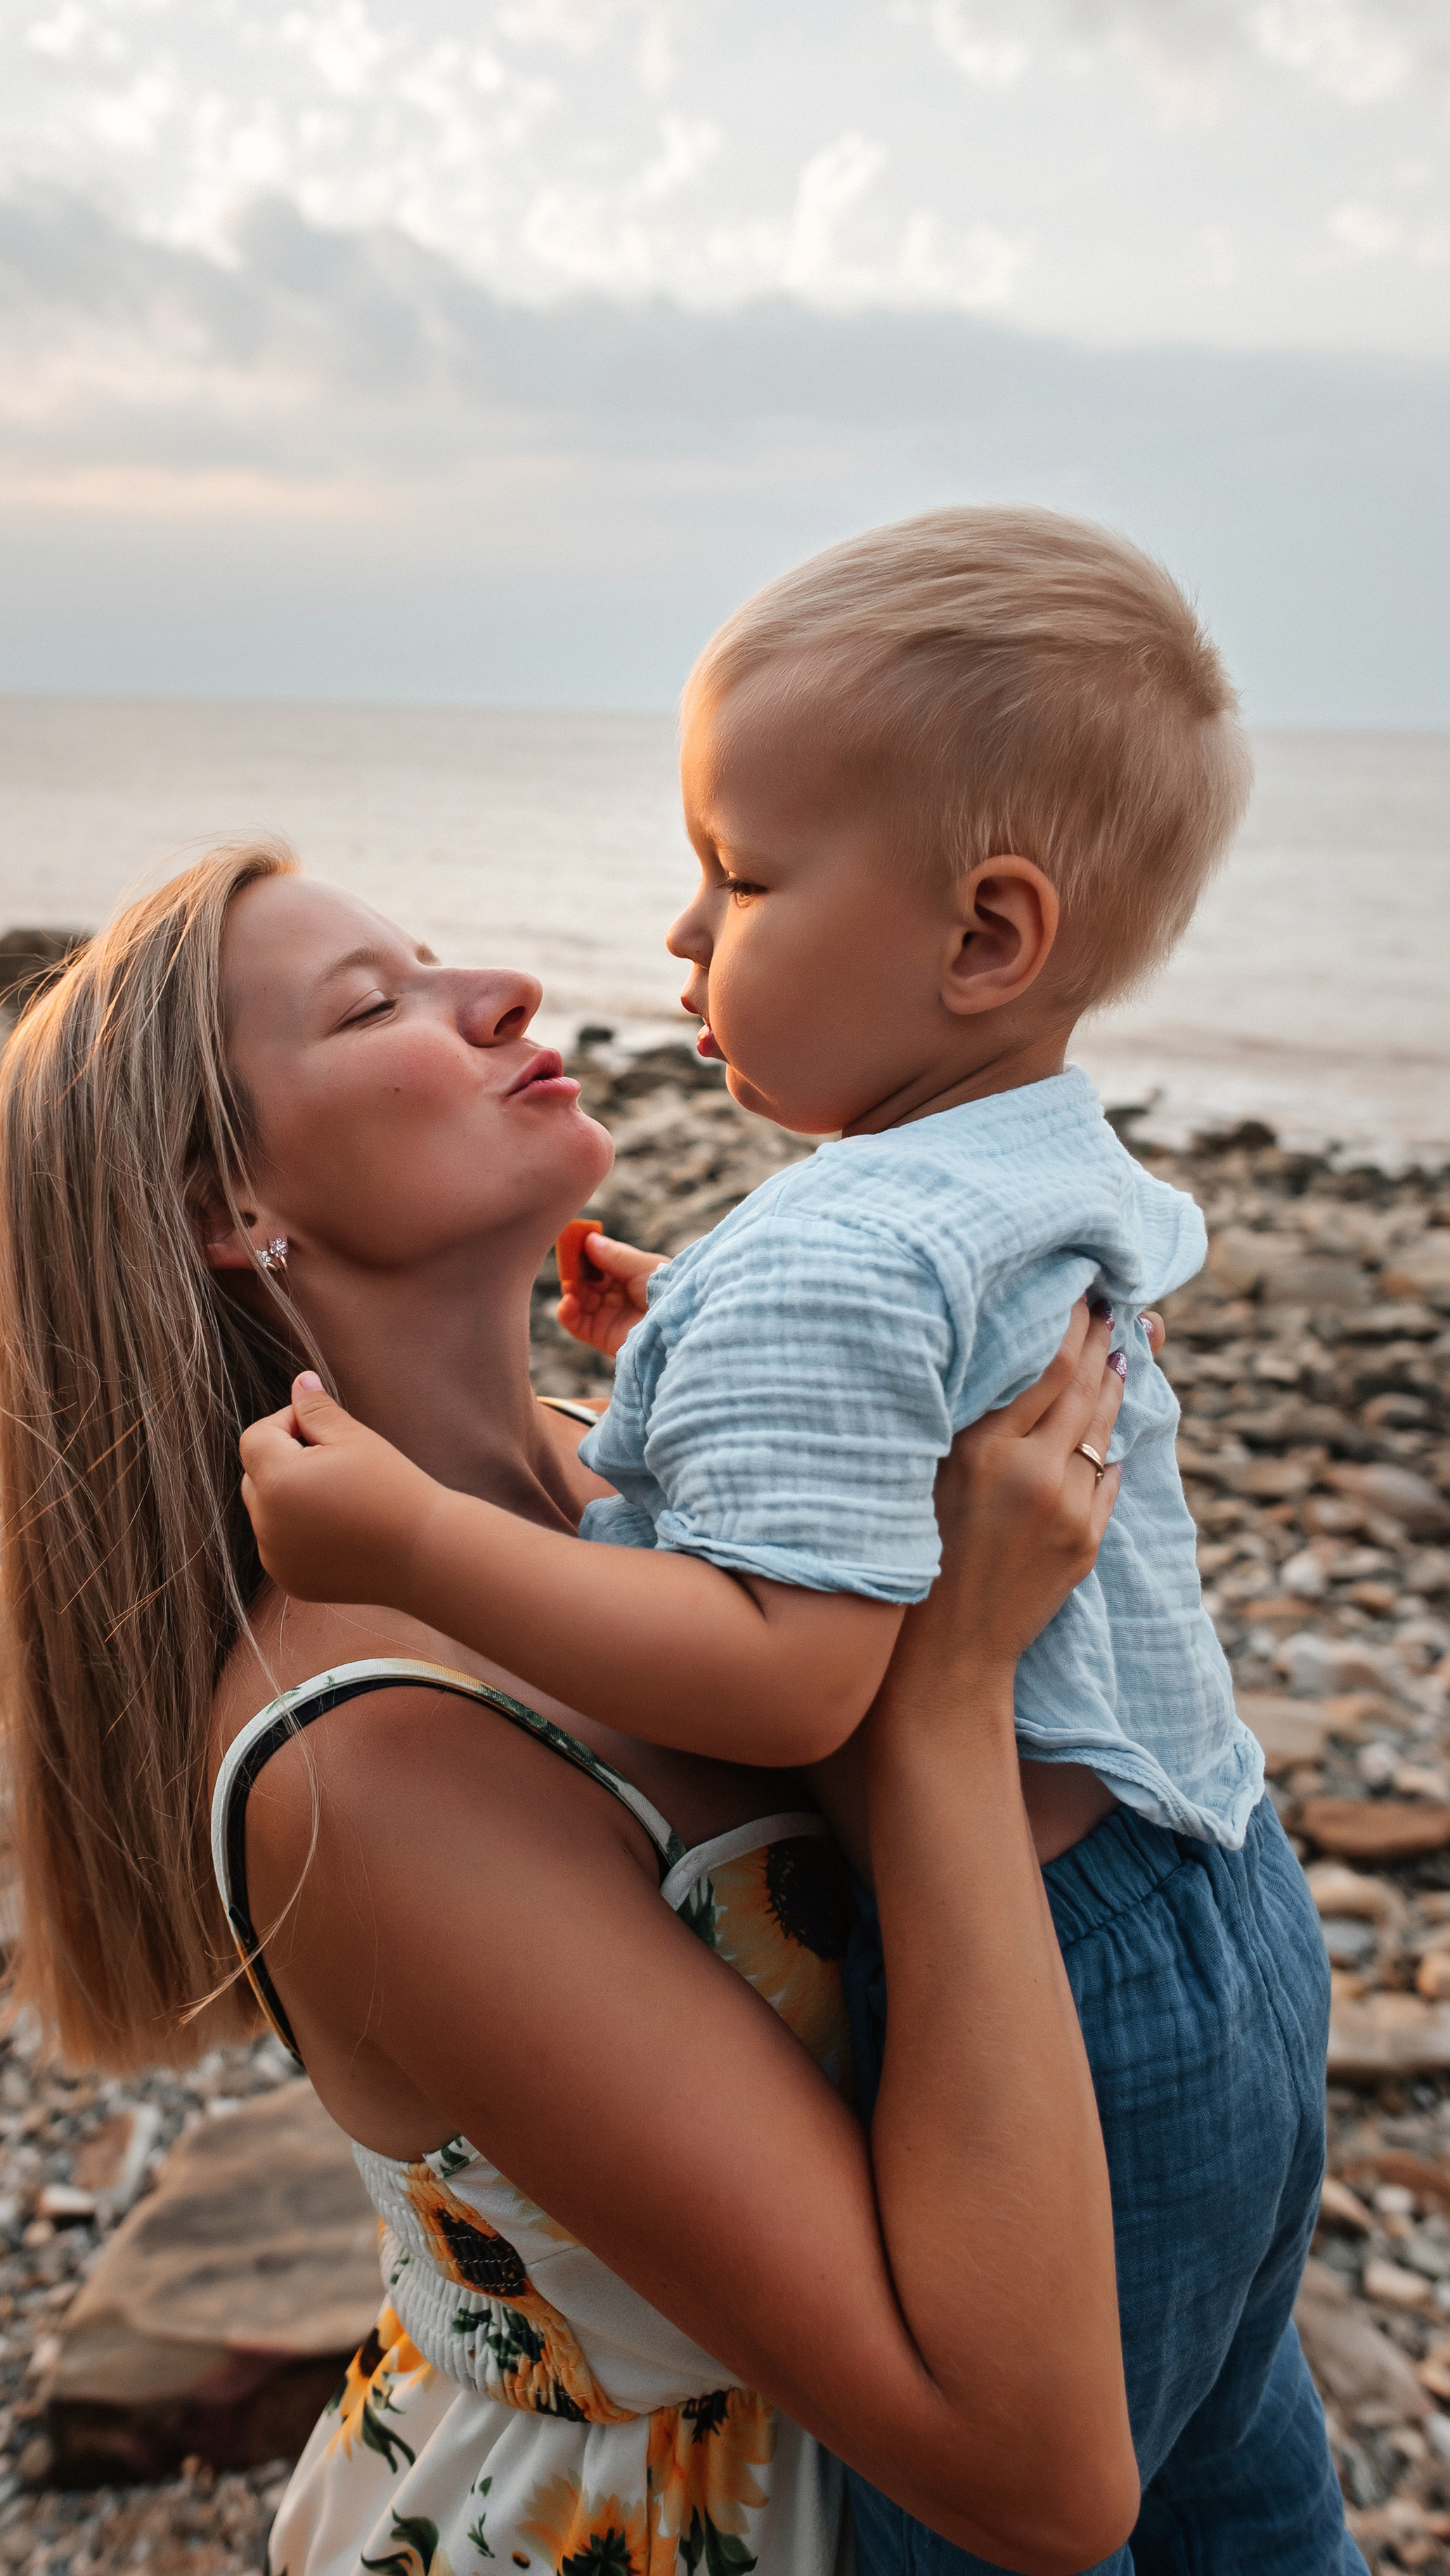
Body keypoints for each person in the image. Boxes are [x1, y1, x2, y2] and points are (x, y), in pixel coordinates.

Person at [240, 512, 1354, 2575]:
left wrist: (409, 1535)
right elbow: (884, 1454)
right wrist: (710, 1358)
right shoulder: (1010, 1155)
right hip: (1225, 1896)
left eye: (737, 878)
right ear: (238, 1195)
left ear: (987, 937)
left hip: (1064, 1983)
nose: (662, 944)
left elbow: (796, 1667)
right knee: (1249, 2496)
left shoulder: (818, 1256)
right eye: (379, 999)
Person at [0, 843, 1137, 2576]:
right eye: (375, 1005)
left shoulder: (610, 1500)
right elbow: (1033, 2484)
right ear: (231, 1208)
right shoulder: (368, 1754)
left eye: (435, 958)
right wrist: (952, 1684)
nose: (500, 991)